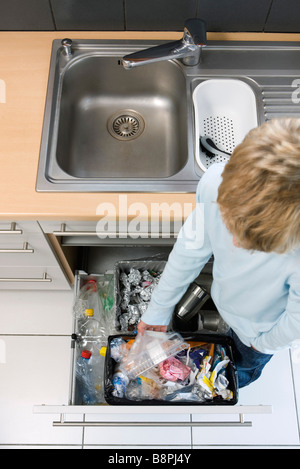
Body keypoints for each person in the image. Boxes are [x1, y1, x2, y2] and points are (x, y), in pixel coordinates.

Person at [137, 118, 300, 388]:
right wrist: (159, 307)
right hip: (229, 301)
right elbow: (192, 246)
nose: (233, 243)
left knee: (238, 372)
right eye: (229, 224)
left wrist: (260, 344)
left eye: (253, 243)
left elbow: (296, 323)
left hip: (259, 332)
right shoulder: (216, 183)